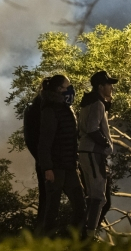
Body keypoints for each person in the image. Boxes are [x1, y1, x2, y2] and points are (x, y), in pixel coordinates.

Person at [38, 75, 85, 237]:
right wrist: (48, 168)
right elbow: (45, 141)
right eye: (67, 86)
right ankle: (46, 247)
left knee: (80, 206)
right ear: (59, 90)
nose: (70, 89)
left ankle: (72, 244)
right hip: (57, 167)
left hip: (69, 166)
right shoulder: (50, 110)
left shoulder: (65, 108)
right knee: (52, 210)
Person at [77, 70, 117, 239]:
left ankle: (85, 233)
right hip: (93, 153)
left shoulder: (90, 102)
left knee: (97, 197)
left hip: (87, 152)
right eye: (109, 84)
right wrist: (105, 144)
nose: (111, 87)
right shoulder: (97, 104)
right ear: (100, 86)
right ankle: (87, 237)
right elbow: (93, 128)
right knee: (98, 197)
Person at [24, 78, 49, 231]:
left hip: (44, 160)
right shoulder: (41, 108)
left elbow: (29, 139)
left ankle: (41, 235)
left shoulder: (33, 107)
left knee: (46, 199)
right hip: (51, 161)